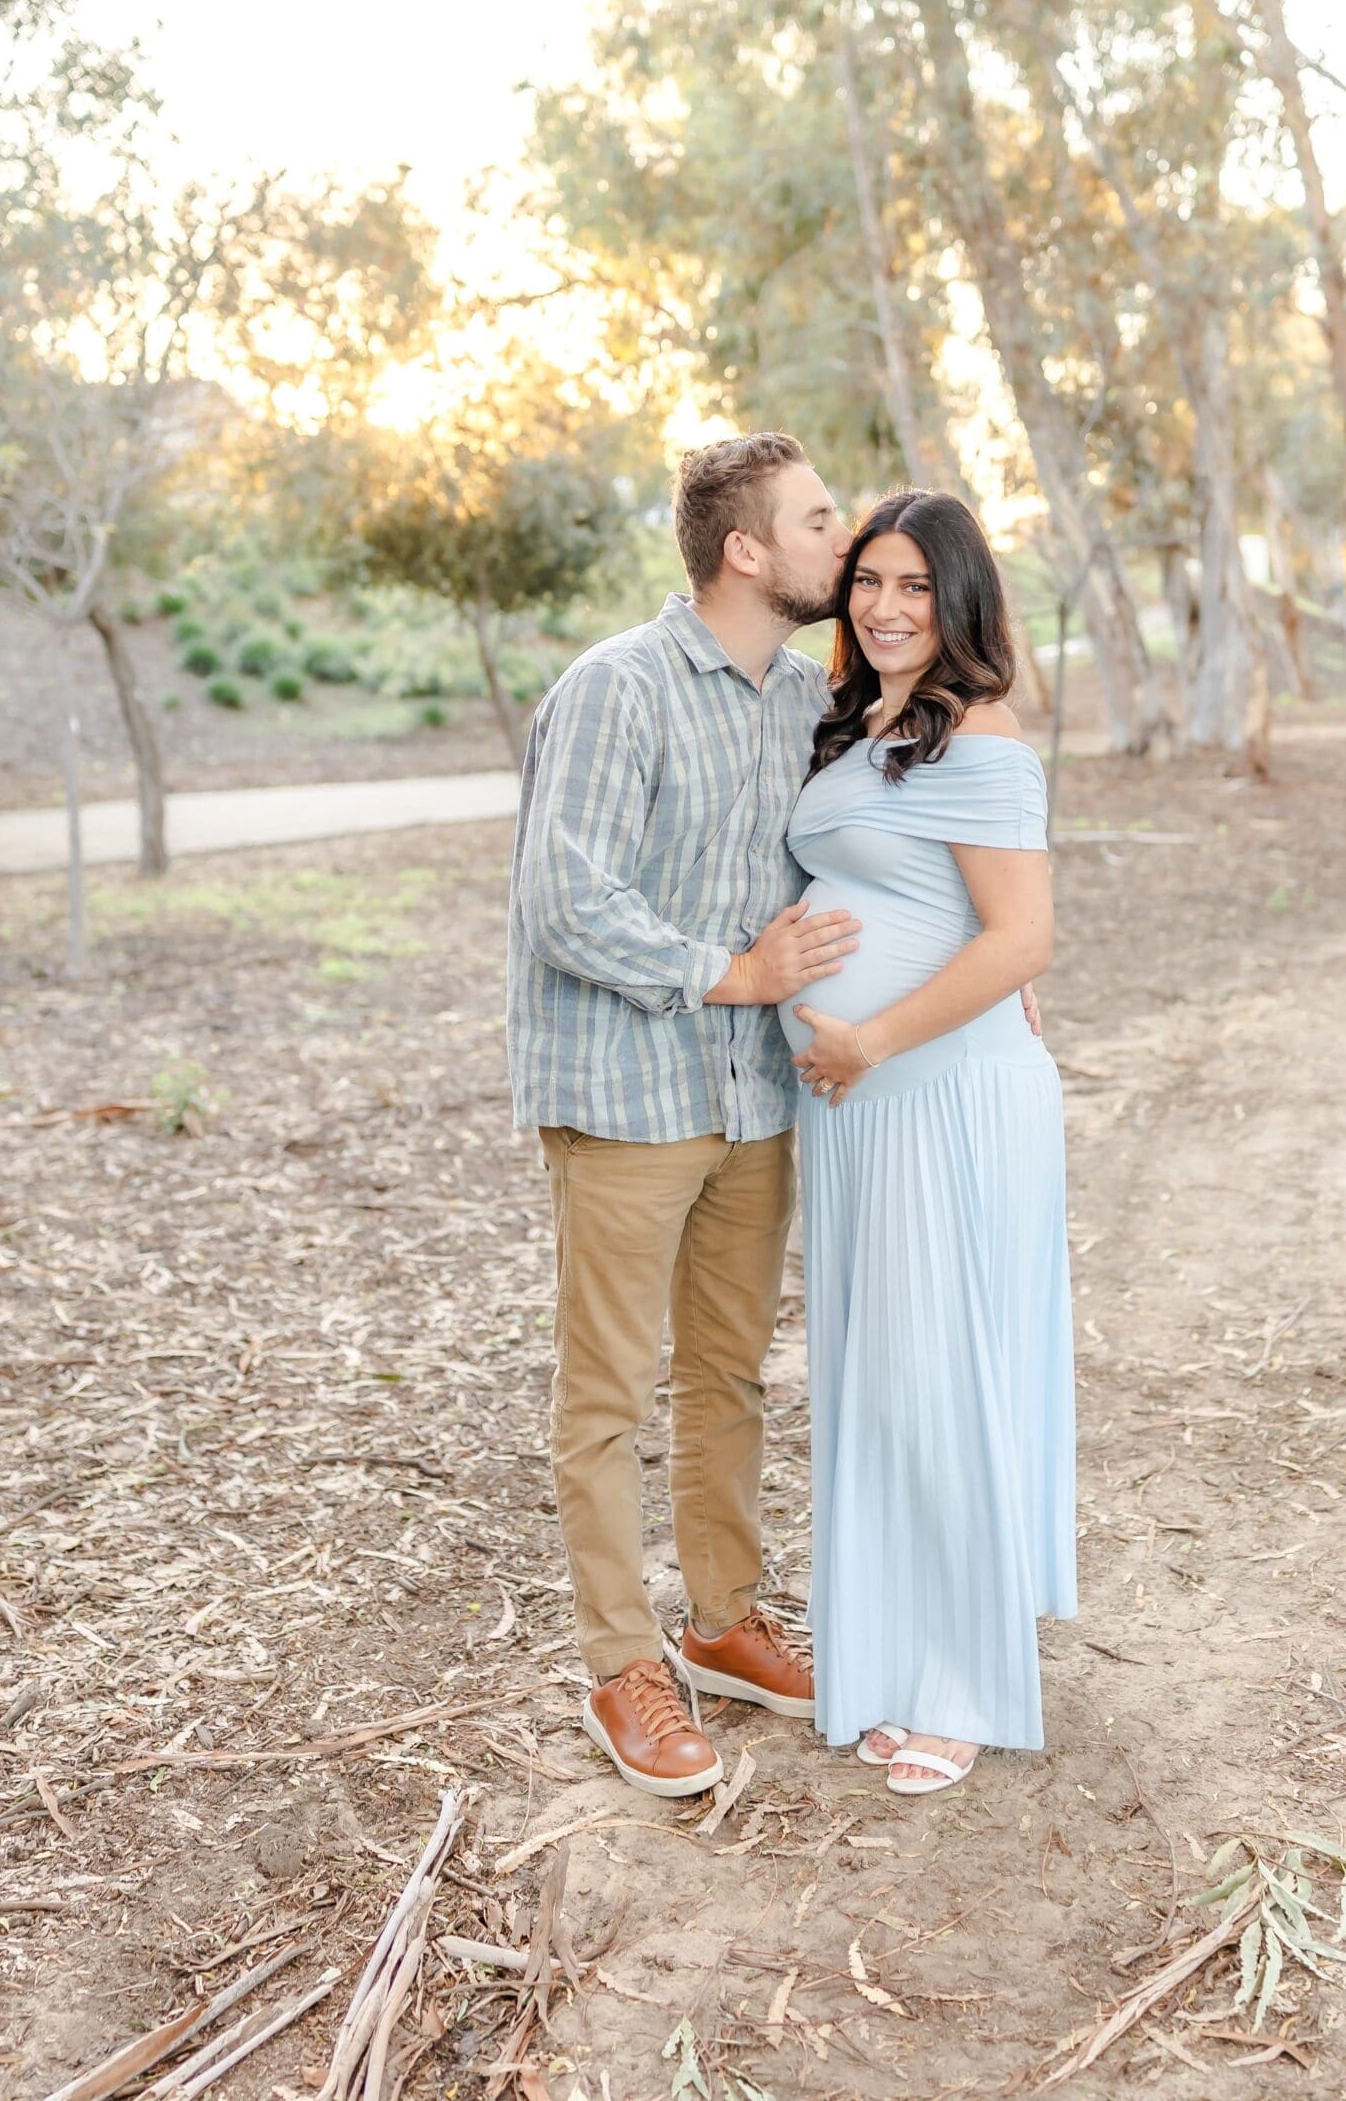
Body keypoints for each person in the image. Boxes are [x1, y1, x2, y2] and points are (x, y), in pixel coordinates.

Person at [506, 432, 854, 1797]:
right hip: (627, 1095)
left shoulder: (800, 699)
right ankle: (621, 1665)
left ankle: (720, 1622)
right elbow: (564, 896)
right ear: (746, 550)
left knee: (725, 1380)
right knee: (602, 1397)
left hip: (753, 1097)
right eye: (820, 521)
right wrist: (733, 974)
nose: (844, 539)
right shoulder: (616, 689)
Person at [784, 488, 1076, 1795]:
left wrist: (875, 1036)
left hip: (934, 1096)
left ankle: (962, 1681)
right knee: (886, 1386)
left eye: (913, 585)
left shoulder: (985, 739)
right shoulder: (862, 728)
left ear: (958, 599)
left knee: (944, 1378)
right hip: (860, 1110)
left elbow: (1023, 941)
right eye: (868, 583)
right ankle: (901, 1654)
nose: (887, 608)